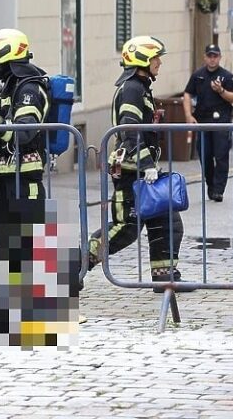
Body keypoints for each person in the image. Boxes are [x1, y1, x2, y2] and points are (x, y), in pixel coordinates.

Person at [83, 36, 191, 290]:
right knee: (126, 229)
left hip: (142, 172)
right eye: (155, 58)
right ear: (142, 59)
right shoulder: (132, 88)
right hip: (132, 172)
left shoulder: (140, 86)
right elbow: (130, 130)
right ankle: (75, 264)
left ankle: (165, 277)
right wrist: (147, 166)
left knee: (167, 221)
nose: (160, 62)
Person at [0, 29, 50, 200]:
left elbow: (25, 131)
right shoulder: (9, 87)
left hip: (24, 181)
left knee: (29, 228)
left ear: (4, 57)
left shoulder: (29, 89)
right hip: (8, 176)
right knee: (6, 227)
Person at [183, 44, 233, 202]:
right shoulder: (198, 75)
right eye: (210, 56)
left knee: (221, 156)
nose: (212, 59)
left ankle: (218, 190)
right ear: (205, 57)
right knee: (205, 155)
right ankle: (211, 184)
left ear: (220, 57)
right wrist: (188, 116)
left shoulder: (227, 77)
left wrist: (221, 91)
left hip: (221, 122)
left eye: (215, 56)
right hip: (203, 121)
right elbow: (187, 94)